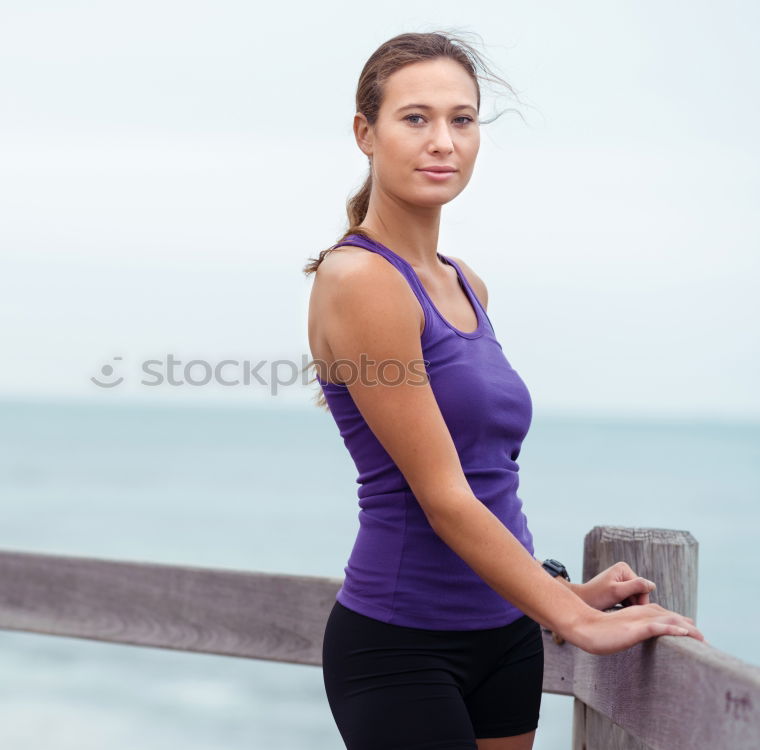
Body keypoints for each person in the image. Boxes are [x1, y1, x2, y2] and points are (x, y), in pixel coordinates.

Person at [302, 30, 705, 750]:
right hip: (402, 649)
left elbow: (490, 478)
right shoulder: (360, 279)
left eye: (462, 119)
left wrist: (558, 598)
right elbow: (444, 496)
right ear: (366, 133)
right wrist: (577, 622)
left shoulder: (466, 283)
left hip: (507, 638)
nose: (443, 142)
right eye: (415, 118)